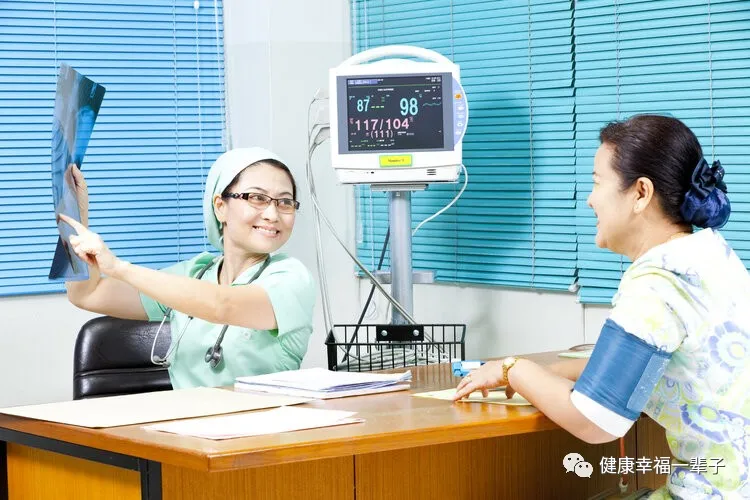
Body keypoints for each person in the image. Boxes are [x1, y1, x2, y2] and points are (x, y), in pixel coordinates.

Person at [454, 115, 749, 498]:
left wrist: (513, 368)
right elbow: (669, 364)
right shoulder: (710, 255)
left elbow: (595, 422)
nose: (590, 199)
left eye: (597, 183)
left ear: (640, 193)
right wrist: (546, 374)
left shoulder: (656, 281)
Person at [63, 147, 316, 389]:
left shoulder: (292, 279)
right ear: (220, 207)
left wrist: (119, 267)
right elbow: (86, 293)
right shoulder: (196, 273)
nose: (273, 214)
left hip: (265, 418)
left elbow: (222, 305)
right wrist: (76, 213)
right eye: (257, 198)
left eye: (285, 202)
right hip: (187, 417)